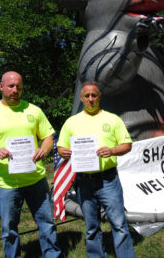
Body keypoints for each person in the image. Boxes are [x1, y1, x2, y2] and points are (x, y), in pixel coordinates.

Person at [0, 71, 61, 258]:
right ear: (1, 87)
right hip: (7, 184)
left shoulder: (33, 111)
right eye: (11, 86)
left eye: (18, 87)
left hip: (36, 179)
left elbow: (48, 137)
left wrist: (44, 148)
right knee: (9, 229)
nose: (15, 90)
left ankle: (52, 255)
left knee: (47, 223)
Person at [57, 81, 135, 258]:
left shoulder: (113, 119)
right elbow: (61, 148)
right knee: (91, 227)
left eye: (94, 95)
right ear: (81, 98)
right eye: (87, 96)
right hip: (83, 181)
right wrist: (65, 153)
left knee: (119, 224)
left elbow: (127, 145)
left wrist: (112, 150)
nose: (90, 99)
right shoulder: (71, 122)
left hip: (108, 180)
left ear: (99, 96)